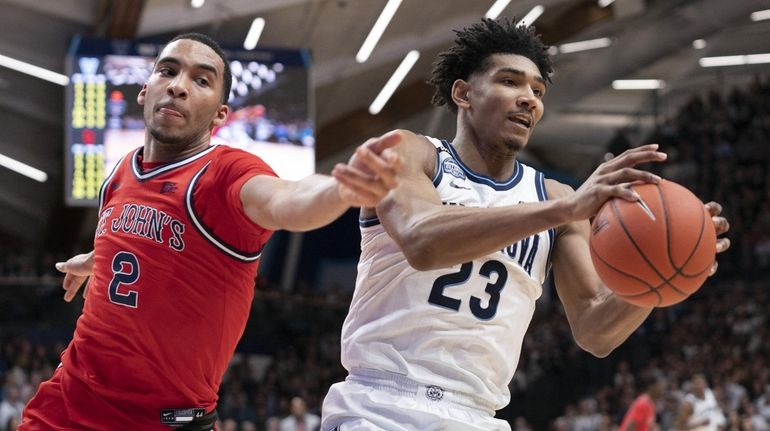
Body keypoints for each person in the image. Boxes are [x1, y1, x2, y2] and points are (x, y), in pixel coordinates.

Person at [322, 18, 730, 431]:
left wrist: (660, 275)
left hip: (478, 416)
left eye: (537, 91)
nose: (528, 99)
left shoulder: (553, 197)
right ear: (463, 93)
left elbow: (594, 329)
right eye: (510, 82)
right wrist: (565, 210)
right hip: (381, 405)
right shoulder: (411, 153)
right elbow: (421, 239)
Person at [19, 33, 401, 431]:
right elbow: (146, 242)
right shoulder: (120, 171)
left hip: (162, 421)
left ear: (220, 115)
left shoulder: (225, 173)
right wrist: (100, 256)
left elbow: (285, 199)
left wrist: (340, 189)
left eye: (201, 80)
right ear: (145, 90)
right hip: (67, 403)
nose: (179, 86)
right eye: (168, 71)